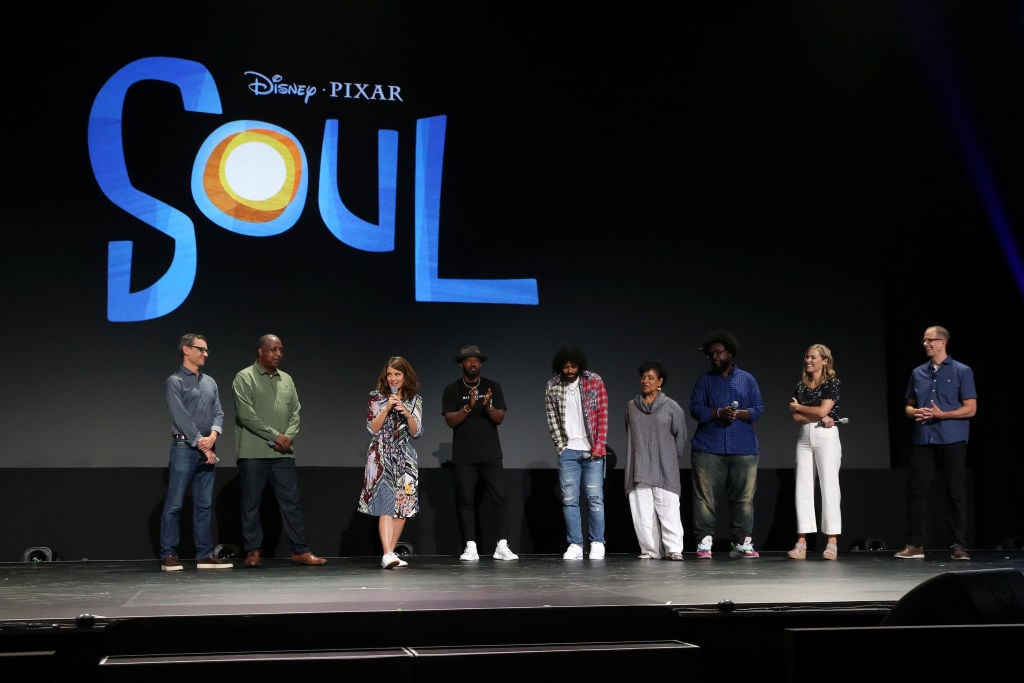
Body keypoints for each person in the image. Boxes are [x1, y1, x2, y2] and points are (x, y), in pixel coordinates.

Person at [232, 334, 327, 568]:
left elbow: (295, 412)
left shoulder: (287, 379)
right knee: (251, 504)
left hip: (283, 454)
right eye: (273, 349)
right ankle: (253, 551)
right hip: (253, 453)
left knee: (291, 503)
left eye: (281, 350)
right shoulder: (244, 377)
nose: (278, 354)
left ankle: (299, 550)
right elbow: (246, 415)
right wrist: (276, 436)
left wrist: (288, 437)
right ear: (261, 351)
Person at [894, 325, 977, 561]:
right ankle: (916, 544)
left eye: (929, 340)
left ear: (942, 342)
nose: (925, 344)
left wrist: (943, 414)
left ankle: (958, 545)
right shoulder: (918, 372)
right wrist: (914, 412)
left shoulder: (962, 371)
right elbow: (908, 406)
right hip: (924, 437)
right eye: (924, 340)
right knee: (917, 490)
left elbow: (971, 408)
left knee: (955, 492)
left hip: (952, 438)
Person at [159, 333, 233, 571]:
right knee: (175, 504)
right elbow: (181, 416)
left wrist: (213, 436)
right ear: (186, 350)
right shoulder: (175, 381)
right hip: (184, 448)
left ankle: (204, 555)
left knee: (203, 505)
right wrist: (202, 443)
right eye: (201, 349)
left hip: (208, 448)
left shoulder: (210, 382)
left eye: (206, 350)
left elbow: (219, 413)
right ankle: (169, 554)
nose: (205, 354)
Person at [689, 329, 764, 559]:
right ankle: (704, 541)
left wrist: (740, 414)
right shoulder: (705, 380)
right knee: (705, 499)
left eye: (719, 353)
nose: (715, 357)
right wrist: (718, 412)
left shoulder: (747, 379)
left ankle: (741, 542)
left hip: (743, 447)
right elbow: (695, 408)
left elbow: (758, 409)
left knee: (743, 499)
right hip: (708, 447)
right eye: (711, 354)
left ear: (730, 353)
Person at [442, 345, 519, 562]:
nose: (473, 363)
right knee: (466, 499)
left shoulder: (493, 386)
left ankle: (502, 545)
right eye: (468, 360)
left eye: (476, 360)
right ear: (462, 364)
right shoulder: (452, 389)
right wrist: (468, 407)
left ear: (481, 364)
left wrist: (487, 407)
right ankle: (470, 546)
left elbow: (499, 418)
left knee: (500, 497)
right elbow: (450, 421)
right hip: (464, 455)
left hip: (490, 452)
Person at [359, 355, 424, 569]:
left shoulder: (415, 400)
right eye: (390, 374)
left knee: (403, 507)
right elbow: (372, 428)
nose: (393, 378)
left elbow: (417, 432)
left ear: (405, 376)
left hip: (405, 457)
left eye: (397, 374)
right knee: (386, 504)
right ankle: (387, 553)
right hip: (381, 455)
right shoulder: (376, 398)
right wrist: (386, 407)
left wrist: (407, 413)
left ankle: (390, 553)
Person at [544, 346, 609, 560]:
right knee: (570, 500)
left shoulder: (594, 381)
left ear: (580, 365)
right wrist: (561, 447)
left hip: (592, 451)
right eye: (566, 367)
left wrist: (599, 445)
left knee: (595, 498)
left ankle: (597, 542)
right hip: (569, 452)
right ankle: (575, 545)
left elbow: (602, 414)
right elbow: (552, 419)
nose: (570, 370)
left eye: (573, 366)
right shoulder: (553, 386)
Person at [624, 360, 687, 561]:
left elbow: (681, 437)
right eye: (643, 377)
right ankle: (650, 550)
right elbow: (630, 432)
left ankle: (673, 549)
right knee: (642, 514)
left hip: (665, 467)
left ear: (660, 382)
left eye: (650, 378)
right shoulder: (632, 406)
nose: (645, 381)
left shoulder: (671, 407)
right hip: (639, 466)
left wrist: (669, 458)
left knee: (669, 511)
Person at [786, 344, 843, 561]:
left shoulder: (832, 383)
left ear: (824, 361)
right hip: (804, 436)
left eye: (813, 357)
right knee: (803, 488)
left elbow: (822, 410)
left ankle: (832, 541)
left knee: (829, 487)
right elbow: (796, 418)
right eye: (807, 357)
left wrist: (800, 407)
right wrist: (815, 414)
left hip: (825, 436)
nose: (808, 360)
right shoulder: (800, 385)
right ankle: (802, 541)